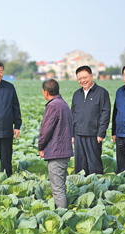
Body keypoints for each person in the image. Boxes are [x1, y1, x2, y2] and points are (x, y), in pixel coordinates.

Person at [38, 79, 73, 208]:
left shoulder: (53, 105)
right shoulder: (63, 103)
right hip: (64, 150)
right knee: (60, 186)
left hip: (56, 151)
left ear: (45, 92)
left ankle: (62, 217)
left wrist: (41, 147)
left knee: (57, 189)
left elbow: (45, 130)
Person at [71, 66, 111, 175]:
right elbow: (73, 114)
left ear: (91, 76)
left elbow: (105, 113)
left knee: (94, 164)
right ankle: (81, 188)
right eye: (79, 79)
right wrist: (72, 134)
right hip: (78, 133)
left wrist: (101, 132)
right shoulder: (76, 94)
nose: (82, 80)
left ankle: (96, 186)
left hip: (93, 134)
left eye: (85, 77)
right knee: (80, 164)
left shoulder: (102, 93)